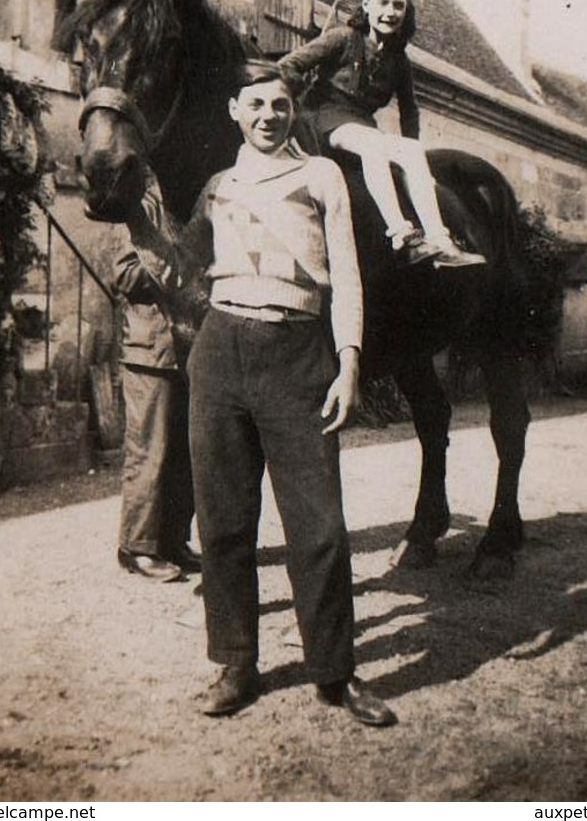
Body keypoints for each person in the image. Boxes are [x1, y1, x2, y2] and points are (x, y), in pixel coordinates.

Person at [166, 61, 396, 726]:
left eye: (280, 105)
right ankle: (235, 664)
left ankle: (335, 673)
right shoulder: (216, 186)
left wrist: (349, 363)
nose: (269, 115)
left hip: (300, 355)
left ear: (294, 112)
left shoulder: (320, 176)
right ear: (236, 111)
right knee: (225, 521)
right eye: (256, 105)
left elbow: (347, 276)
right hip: (221, 351)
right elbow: (185, 268)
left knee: (318, 525)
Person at [279, 0, 486, 269]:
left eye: (398, 5)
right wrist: (296, 108)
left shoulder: (399, 61)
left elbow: (409, 111)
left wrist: (411, 160)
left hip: (362, 126)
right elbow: (288, 65)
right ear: (366, 4)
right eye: (383, 3)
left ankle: (440, 241)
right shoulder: (342, 38)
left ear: (406, 11)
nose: (390, 12)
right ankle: (401, 234)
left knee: (411, 150)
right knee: (374, 145)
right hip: (323, 118)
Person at [113, 243, 201, 583]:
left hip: (183, 349)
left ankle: (172, 541)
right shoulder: (141, 205)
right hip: (149, 352)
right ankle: (137, 547)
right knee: (149, 450)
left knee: (184, 453)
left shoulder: (182, 207)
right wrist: (174, 269)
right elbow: (123, 274)